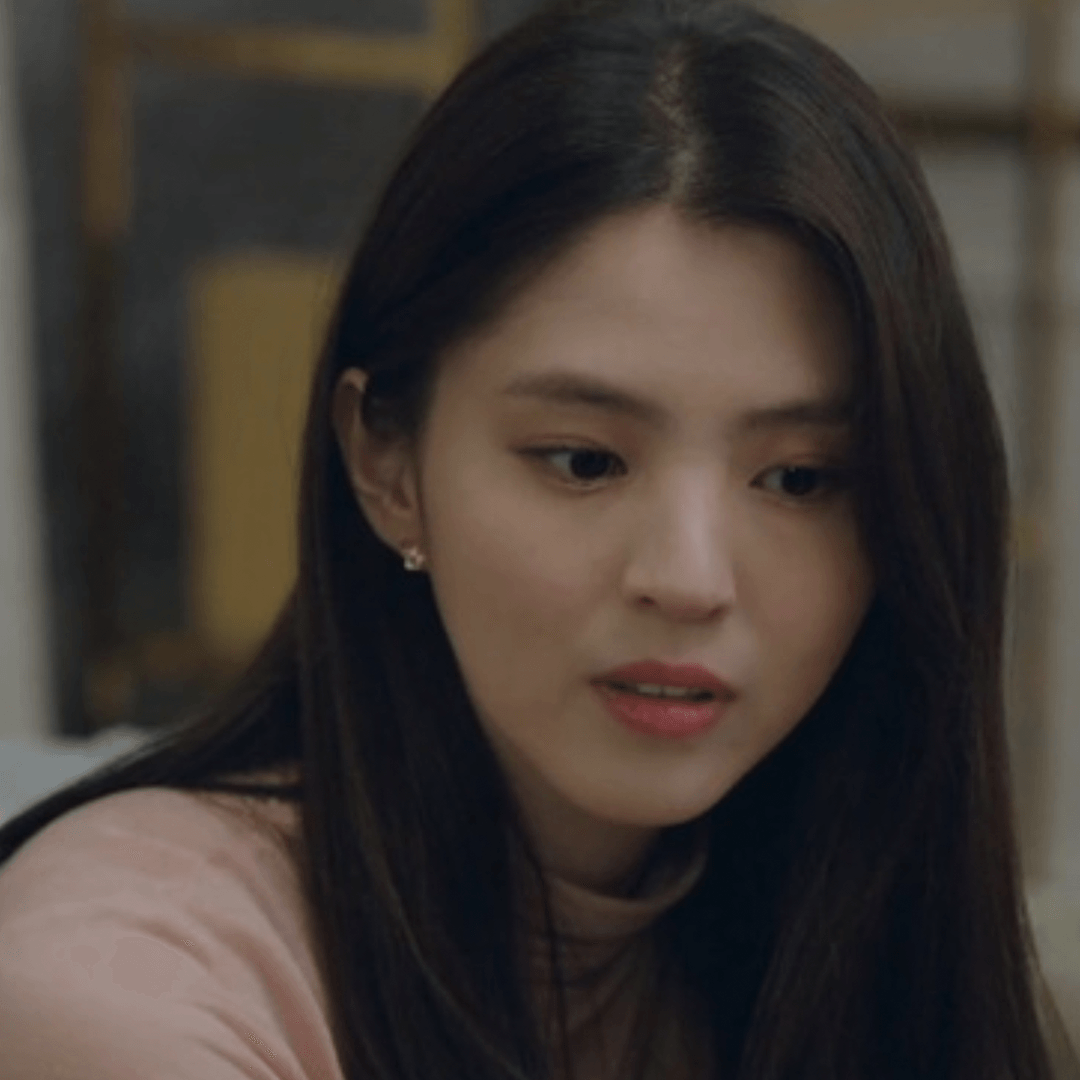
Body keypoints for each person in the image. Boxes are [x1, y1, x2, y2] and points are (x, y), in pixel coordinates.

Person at [0, 1, 1075, 1077]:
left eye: (799, 479)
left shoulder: (841, 947)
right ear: (386, 465)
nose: (688, 577)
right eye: (583, 462)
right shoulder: (131, 981)